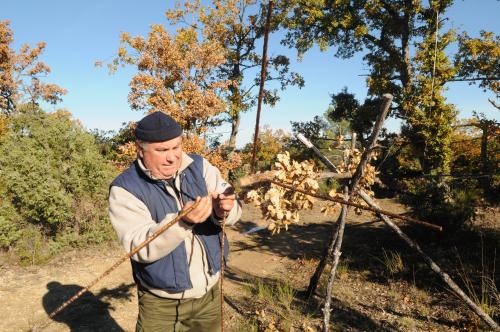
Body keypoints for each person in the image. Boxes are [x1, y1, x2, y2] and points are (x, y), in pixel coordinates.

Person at [108, 111, 242, 332]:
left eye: (176, 147)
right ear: (140, 150)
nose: (172, 157)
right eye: (161, 150)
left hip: (209, 295)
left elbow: (234, 210)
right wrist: (183, 222)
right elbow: (139, 247)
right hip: (160, 305)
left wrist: (222, 212)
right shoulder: (125, 189)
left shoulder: (200, 167)